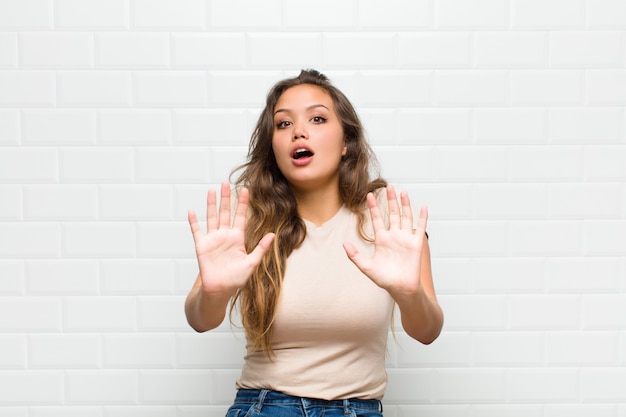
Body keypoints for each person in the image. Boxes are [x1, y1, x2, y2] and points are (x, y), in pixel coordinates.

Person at [185, 69, 443, 417]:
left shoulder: (387, 218)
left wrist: (409, 295)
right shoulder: (250, 221)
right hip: (267, 407)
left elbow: (427, 331)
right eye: (283, 124)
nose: (299, 132)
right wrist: (212, 294)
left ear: (346, 141)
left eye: (317, 119)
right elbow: (200, 319)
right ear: (272, 145)